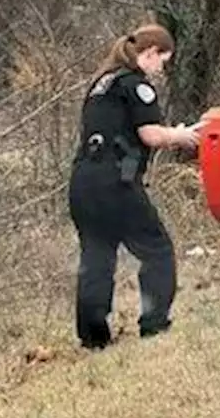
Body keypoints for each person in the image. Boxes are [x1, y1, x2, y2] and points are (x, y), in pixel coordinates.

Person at [67, 24, 200, 350]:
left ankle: (93, 337)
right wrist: (181, 136)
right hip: (117, 183)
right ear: (151, 53)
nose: (160, 71)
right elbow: (150, 135)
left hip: (83, 182)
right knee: (157, 251)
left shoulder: (100, 83)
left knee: (97, 255)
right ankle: (154, 324)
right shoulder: (136, 85)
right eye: (162, 62)